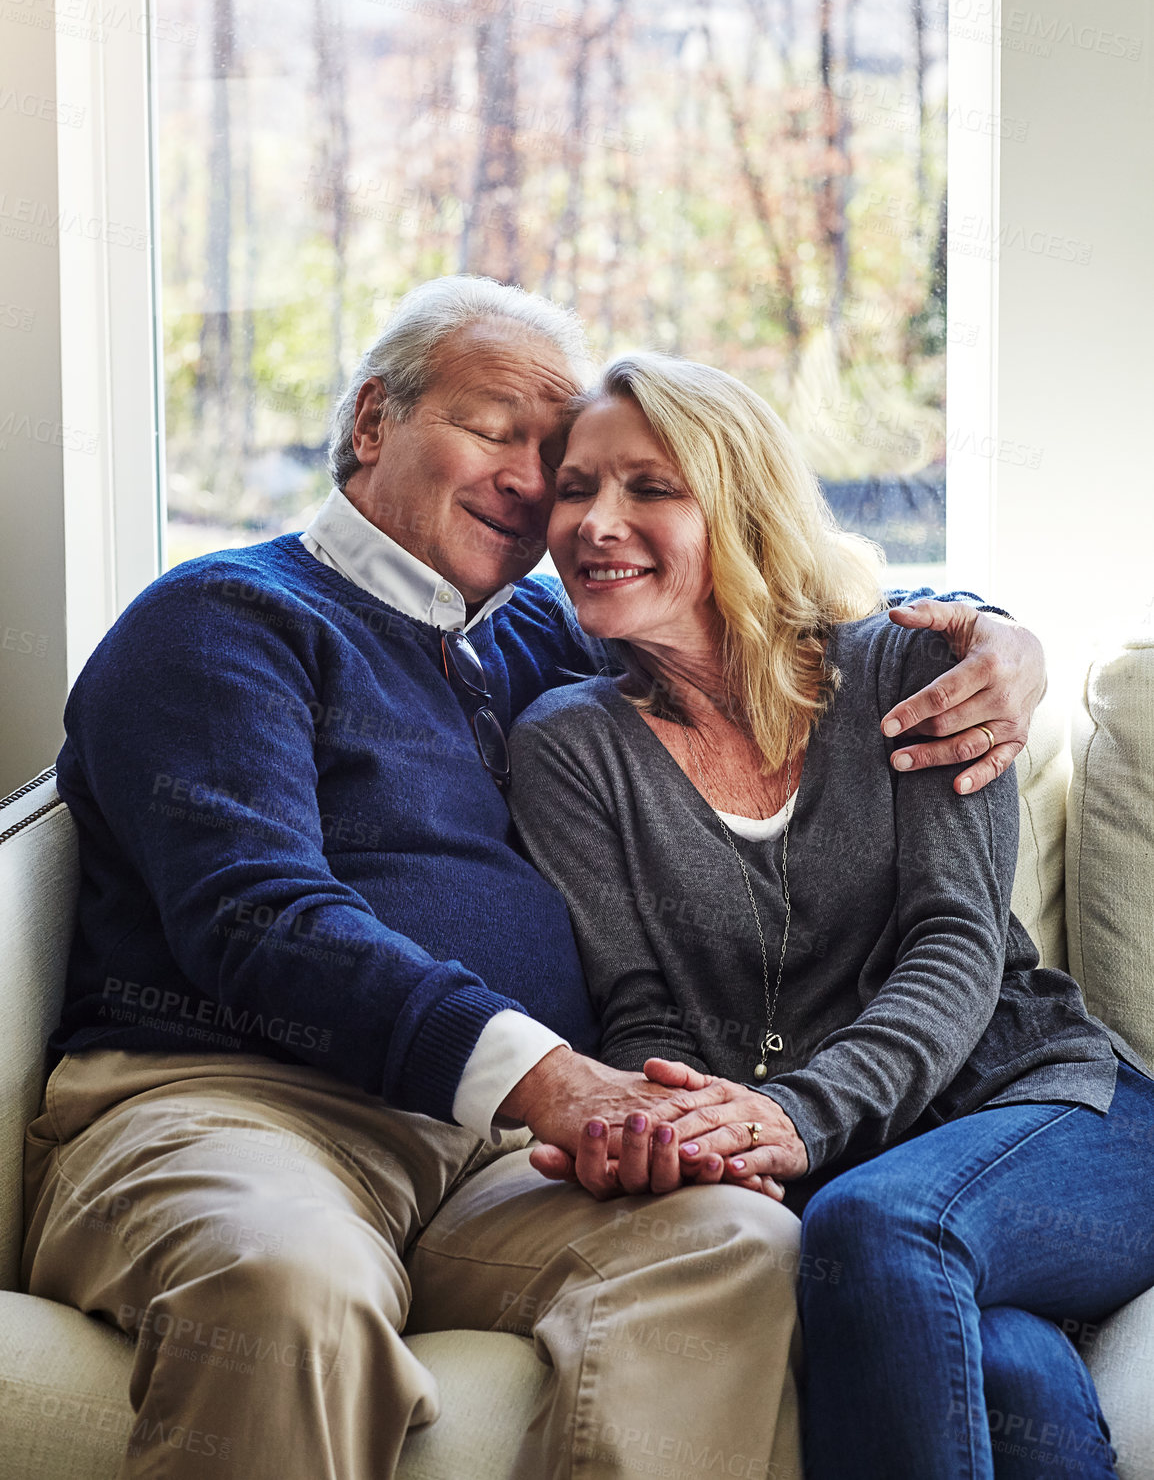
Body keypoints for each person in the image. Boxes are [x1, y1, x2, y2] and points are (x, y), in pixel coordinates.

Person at [24, 277, 1045, 1480]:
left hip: (483, 1156)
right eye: (493, 427)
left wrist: (989, 632)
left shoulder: (535, 632)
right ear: (369, 423)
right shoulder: (222, 619)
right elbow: (254, 915)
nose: (531, 479)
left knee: (732, 1241)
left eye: (551, 455)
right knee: (286, 1289)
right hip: (234, 1106)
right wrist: (552, 1078)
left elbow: (775, 598)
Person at [505, 351, 1154, 1479]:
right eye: (574, 487)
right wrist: (673, 1131)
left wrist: (794, 1114)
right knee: (1001, 1368)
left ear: (741, 504)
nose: (596, 522)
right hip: (853, 1168)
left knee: (877, 1228)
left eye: (650, 488)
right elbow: (639, 1003)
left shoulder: (918, 669)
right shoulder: (569, 747)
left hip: (1050, 1113)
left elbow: (953, 944)